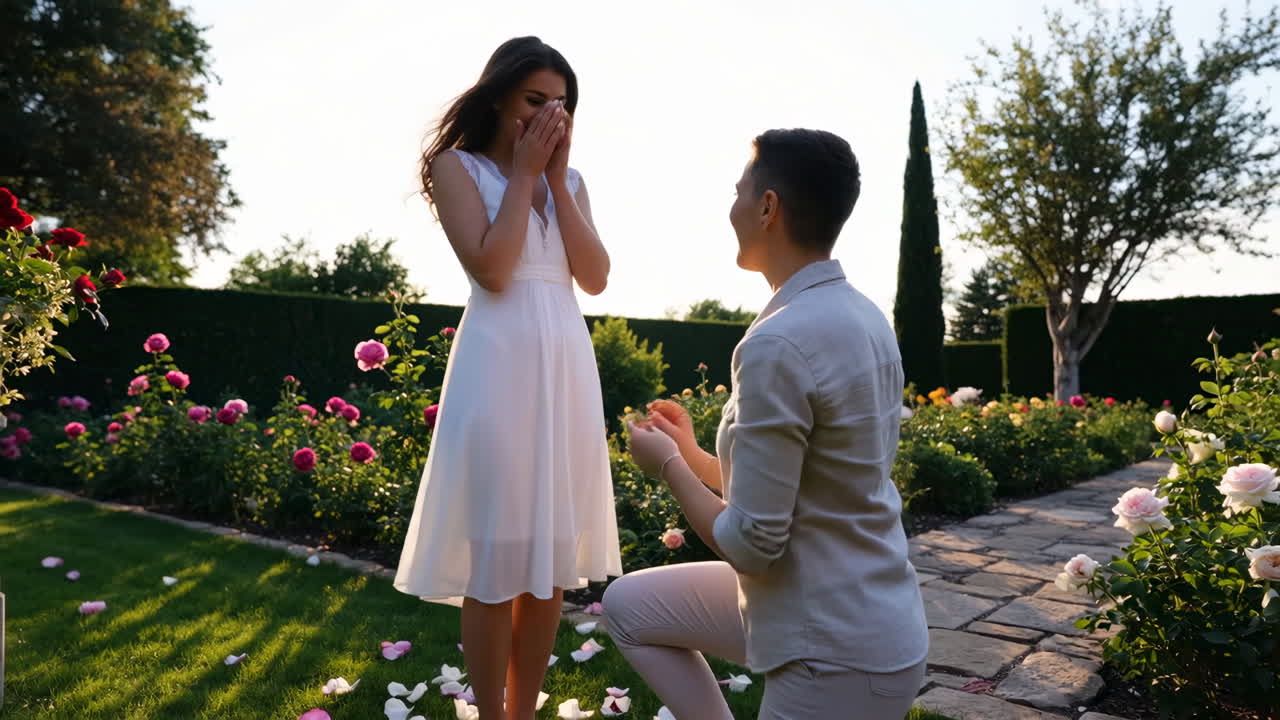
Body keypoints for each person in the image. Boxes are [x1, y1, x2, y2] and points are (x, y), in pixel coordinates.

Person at [608, 128, 928, 719]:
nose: (732, 207)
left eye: (739, 192)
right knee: (631, 606)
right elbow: (796, 483)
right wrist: (693, 452)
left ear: (768, 207)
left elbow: (752, 545)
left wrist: (669, 467)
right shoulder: (861, 314)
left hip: (835, 653)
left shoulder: (779, 341)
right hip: (858, 613)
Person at [394, 36, 622, 720]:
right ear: (498, 97)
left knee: (549, 561)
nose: (549, 115)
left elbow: (595, 278)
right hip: (497, 369)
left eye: (562, 104)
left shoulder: (572, 184)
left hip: (565, 370)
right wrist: (524, 175)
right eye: (534, 99)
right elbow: (493, 271)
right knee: (495, 556)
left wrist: (555, 178)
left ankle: (523, 713)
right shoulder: (455, 167)